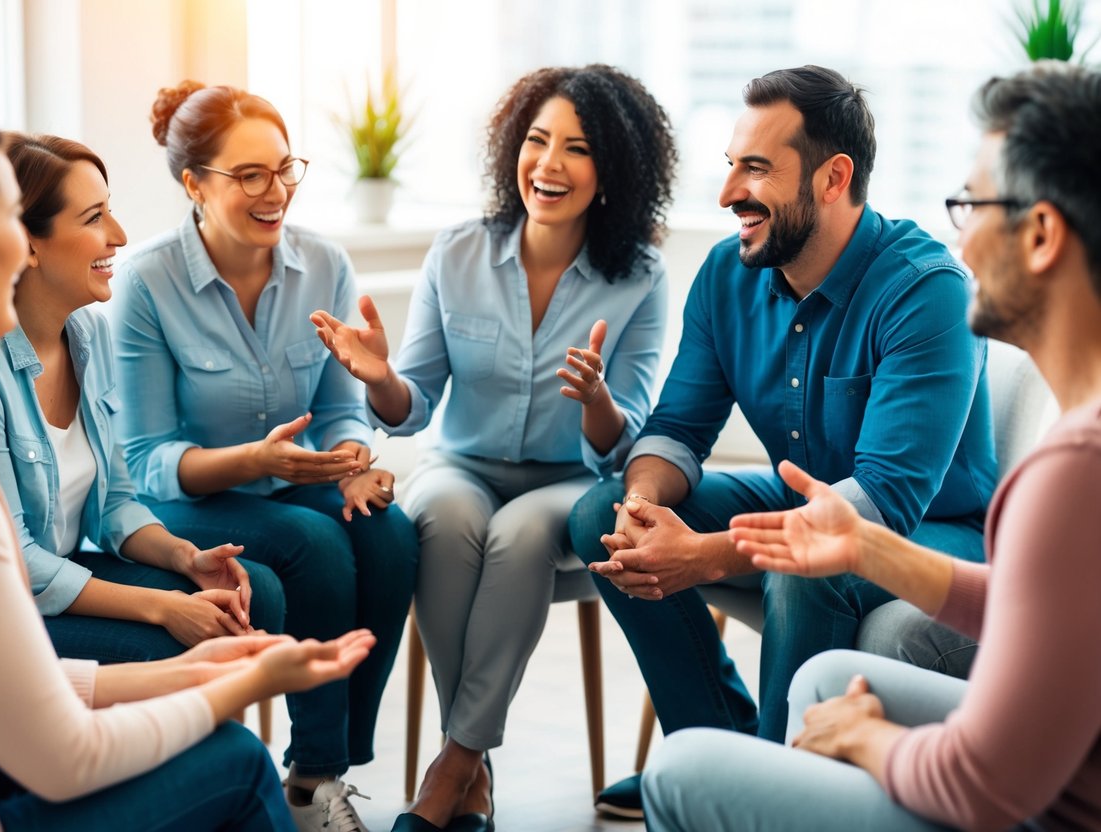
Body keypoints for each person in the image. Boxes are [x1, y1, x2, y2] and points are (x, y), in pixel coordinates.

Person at [0, 102, 375, 832]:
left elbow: (109, 506)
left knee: (289, 579)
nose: (117, 234)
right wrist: (222, 675)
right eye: (5, 218)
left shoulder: (77, 338)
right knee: (238, 758)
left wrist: (196, 651)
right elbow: (59, 747)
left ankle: (314, 771)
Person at [643, 60, 1101, 832]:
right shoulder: (1076, 444)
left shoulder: (1071, 472)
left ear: (1042, 233)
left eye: (971, 203)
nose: (959, 235)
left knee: (680, 770)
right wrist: (859, 547)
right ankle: (763, 764)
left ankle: (756, 777)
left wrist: (868, 739)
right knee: (826, 677)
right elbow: (1041, 615)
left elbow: (984, 790)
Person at [567, 64, 997, 817]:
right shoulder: (727, 273)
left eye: (756, 168)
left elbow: (885, 500)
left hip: (935, 529)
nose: (729, 191)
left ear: (833, 179)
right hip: (808, 498)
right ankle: (723, 752)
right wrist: (641, 507)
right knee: (599, 516)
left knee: (809, 568)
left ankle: (770, 791)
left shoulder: (925, 288)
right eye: (730, 164)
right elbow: (675, 429)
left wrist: (702, 555)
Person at [311, 63, 676, 831]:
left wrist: (597, 401)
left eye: (577, 149)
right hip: (462, 463)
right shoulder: (458, 251)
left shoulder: (641, 276)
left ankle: (450, 771)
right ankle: (470, 764)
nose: (549, 164)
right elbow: (410, 411)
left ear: (612, 171)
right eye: (536, 140)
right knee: (441, 517)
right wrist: (379, 380)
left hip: (568, 480)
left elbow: (623, 445)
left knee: (517, 534)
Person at [111, 80, 420, 831]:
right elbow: (146, 455)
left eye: (284, 168)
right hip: (187, 495)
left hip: (289, 480)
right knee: (317, 543)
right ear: (194, 183)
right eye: (249, 175)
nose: (274, 191)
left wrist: (350, 458)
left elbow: (344, 407)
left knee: (387, 533)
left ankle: (323, 767)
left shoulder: (323, 264)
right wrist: (254, 460)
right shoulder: (147, 283)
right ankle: (317, 775)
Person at [0, 132, 284, 662]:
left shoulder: (90, 335)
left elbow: (112, 505)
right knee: (165, 635)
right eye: (93, 219)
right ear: (27, 244)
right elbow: (13, 558)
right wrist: (160, 605)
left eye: (110, 211)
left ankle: (214, 738)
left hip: (58, 577)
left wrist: (186, 558)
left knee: (254, 591)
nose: (118, 235)